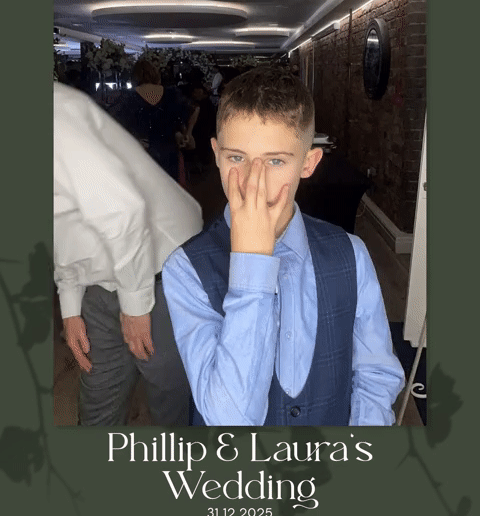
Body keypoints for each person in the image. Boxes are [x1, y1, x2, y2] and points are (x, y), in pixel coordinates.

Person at [162, 67, 404, 426]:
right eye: (236, 158)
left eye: (275, 161)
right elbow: (230, 420)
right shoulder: (185, 268)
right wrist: (251, 266)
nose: (253, 181)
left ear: (308, 163)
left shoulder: (351, 254)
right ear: (216, 154)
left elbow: (375, 376)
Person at [54, 82, 203, 426]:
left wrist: (135, 307)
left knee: (171, 397)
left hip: (163, 264)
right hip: (99, 276)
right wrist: (70, 306)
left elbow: (123, 212)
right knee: (98, 396)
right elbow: (60, 222)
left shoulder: (53, 112)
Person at [108, 59, 187, 181]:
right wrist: (184, 133)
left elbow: (115, 124)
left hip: (142, 152)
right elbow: (189, 112)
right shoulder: (172, 94)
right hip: (169, 152)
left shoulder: (128, 98)